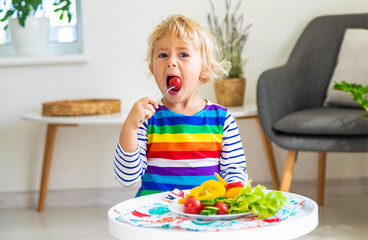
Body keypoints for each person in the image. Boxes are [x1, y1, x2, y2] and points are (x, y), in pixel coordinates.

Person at [114, 14, 247, 197]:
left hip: (203, 213)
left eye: (183, 54)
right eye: (163, 55)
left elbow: (234, 174)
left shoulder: (221, 119)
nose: (171, 62)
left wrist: (234, 202)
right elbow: (126, 178)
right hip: (155, 217)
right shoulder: (147, 119)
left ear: (205, 68)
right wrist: (129, 127)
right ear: (152, 69)